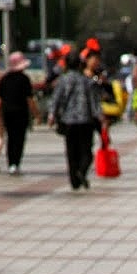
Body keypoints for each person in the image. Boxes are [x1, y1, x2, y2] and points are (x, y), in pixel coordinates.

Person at [50, 49, 102, 190]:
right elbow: (94, 102)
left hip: (68, 121)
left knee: (71, 151)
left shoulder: (63, 80)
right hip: (86, 121)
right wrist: (100, 117)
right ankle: (82, 171)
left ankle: (74, 180)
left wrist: (52, 115)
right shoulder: (87, 81)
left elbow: (56, 100)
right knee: (86, 152)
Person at [0, 50, 38, 175]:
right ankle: (16, 163)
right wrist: (36, 113)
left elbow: (0, 99)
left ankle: (11, 164)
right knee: (19, 139)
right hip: (21, 114)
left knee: (10, 138)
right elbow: (29, 99)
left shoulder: (4, 79)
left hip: (7, 113)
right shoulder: (24, 79)